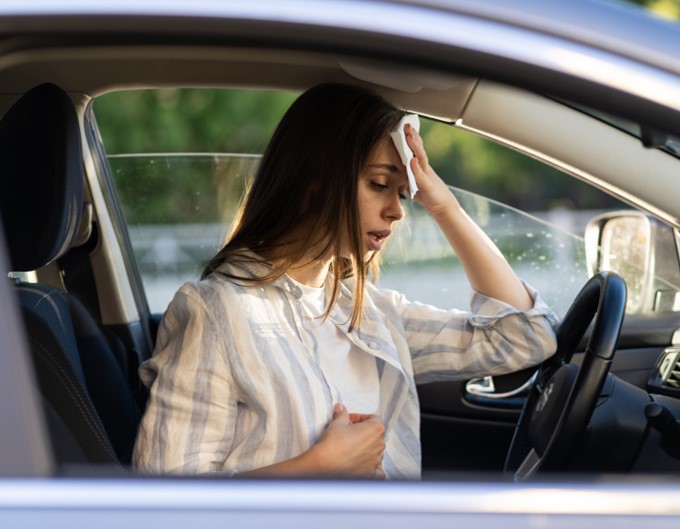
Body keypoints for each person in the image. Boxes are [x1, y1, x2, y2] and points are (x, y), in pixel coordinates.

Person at [132, 83, 558, 480]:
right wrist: (316, 468)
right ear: (314, 183)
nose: (398, 211)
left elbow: (524, 335)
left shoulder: (370, 312)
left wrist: (444, 204)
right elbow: (161, 501)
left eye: (404, 192)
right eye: (379, 184)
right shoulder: (217, 311)